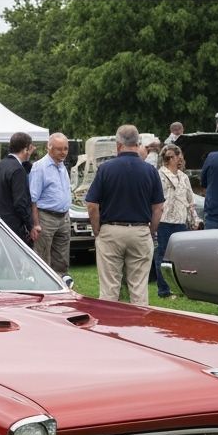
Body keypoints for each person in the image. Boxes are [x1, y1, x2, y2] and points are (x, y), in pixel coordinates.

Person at [84, 124, 164, 305]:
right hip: (140, 230)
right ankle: (138, 328)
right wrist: (151, 230)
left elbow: (91, 205)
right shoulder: (150, 171)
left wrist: (97, 229)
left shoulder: (106, 168)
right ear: (138, 143)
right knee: (139, 287)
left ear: (118, 144)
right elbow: (158, 207)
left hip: (111, 230)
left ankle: (109, 327)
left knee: (109, 288)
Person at [153, 143, 201, 297]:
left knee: (181, 257)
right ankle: (164, 290)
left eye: (179, 155)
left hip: (181, 221)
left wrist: (194, 219)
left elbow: (190, 200)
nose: (179, 158)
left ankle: (182, 288)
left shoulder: (184, 176)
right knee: (162, 254)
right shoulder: (158, 175)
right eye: (175, 156)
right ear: (168, 158)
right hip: (164, 220)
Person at [29, 132, 72, 274]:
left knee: (62, 257)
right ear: (49, 148)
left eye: (65, 148)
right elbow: (33, 199)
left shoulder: (62, 166)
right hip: (46, 217)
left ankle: (61, 285)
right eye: (59, 149)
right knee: (42, 256)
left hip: (63, 217)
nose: (63, 152)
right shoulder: (39, 167)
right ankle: (43, 287)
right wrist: (36, 224)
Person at [0, 131, 38, 246]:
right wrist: (30, 225)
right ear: (26, 149)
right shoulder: (17, 170)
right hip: (14, 226)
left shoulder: (0, 165)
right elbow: (20, 202)